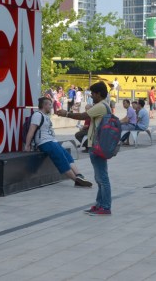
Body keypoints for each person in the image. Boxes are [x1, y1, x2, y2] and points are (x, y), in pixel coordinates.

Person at [57, 81, 112, 216]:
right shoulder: (104, 105)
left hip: (98, 146)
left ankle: (105, 206)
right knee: (99, 177)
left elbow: (83, 116)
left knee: (102, 178)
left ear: (99, 94)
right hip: (98, 145)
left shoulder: (101, 106)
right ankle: (100, 204)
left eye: (93, 93)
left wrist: (66, 114)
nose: (91, 96)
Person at [24, 97, 93, 187]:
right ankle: (76, 180)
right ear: (44, 105)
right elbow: (31, 130)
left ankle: (79, 175)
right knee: (61, 159)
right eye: (49, 105)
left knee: (67, 156)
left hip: (52, 141)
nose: (51, 107)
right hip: (45, 142)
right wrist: (27, 145)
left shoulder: (45, 116)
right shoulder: (37, 115)